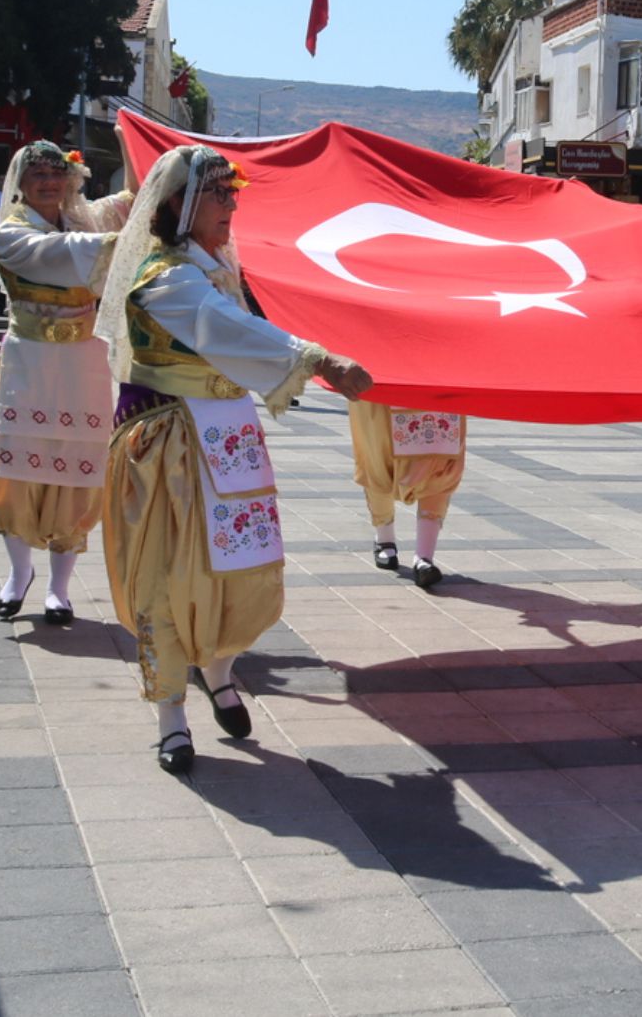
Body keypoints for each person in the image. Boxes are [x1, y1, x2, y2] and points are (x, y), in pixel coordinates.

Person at [96, 145, 371, 773]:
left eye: (232, 193)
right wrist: (319, 358)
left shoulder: (212, 268)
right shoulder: (165, 277)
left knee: (235, 569)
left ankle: (219, 672)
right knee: (165, 579)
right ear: (179, 204)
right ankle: (171, 717)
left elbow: (238, 324)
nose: (232, 205)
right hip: (168, 447)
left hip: (227, 440)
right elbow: (225, 327)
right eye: (220, 194)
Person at [0, 141, 131, 627]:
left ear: (73, 179)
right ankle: (18, 575)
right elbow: (56, 254)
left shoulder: (86, 221)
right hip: (30, 363)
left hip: (83, 361)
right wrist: (127, 241)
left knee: (75, 473)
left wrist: (126, 137)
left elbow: (135, 197)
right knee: (17, 472)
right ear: (21, 182)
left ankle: (59, 589)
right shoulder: (10, 234)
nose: (49, 182)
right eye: (37, 175)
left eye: (57, 173)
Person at [350, 402, 465, 587]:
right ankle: (384, 536)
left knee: (440, 458)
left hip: (435, 379)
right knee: (379, 456)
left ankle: (424, 557)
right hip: (382, 381)